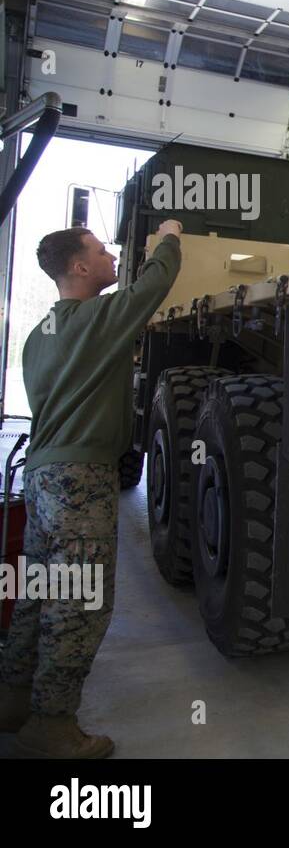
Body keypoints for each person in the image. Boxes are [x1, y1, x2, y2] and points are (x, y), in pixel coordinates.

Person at [0, 220, 183, 757]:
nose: (110, 259)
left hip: (42, 476)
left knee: (37, 591)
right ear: (79, 268)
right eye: (102, 253)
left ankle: (12, 697)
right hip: (81, 481)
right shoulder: (97, 320)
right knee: (79, 602)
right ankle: (52, 725)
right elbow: (153, 286)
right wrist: (168, 238)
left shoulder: (41, 334)